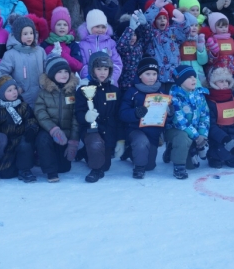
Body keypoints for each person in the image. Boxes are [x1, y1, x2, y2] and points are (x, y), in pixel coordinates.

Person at [34, 54, 80, 183]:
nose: (64, 74)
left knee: (64, 168)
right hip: (50, 132)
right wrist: (53, 129)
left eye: (66, 71)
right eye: (59, 72)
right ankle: (50, 172)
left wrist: (73, 141)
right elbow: (40, 112)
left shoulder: (73, 92)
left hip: (66, 135)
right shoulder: (44, 93)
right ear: (51, 74)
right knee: (42, 139)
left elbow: (76, 117)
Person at [0, 69, 40, 183]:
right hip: (7, 143)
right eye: (9, 90)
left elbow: (31, 119)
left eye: (15, 89)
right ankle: (11, 166)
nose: (14, 92)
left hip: (22, 138)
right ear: (1, 94)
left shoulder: (23, 106)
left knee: (25, 146)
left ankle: (25, 170)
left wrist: (31, 129)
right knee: (6, 174)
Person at [119, 58, 167, 179]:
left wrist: (169, 114)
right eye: (147, 74)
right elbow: (123, 113)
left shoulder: (161, 92)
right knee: (141, 144)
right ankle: (138, 168)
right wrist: (135, 113)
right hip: (135, 129)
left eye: (154, 74)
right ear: (140, 75)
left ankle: (130, 152)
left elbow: (166, 118)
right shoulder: (132, 92)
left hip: (153, 131)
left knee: (150, 166)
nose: (151, 77)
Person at [75, 52, 119, 182]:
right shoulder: (84, 89)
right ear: (92, 70)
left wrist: (120, 139)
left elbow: (117, 115)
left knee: (106, 166)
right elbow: (78, 113)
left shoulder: (114, 90)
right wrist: (86, 117)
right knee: (96, 146)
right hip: (91, 130)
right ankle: (95, 171)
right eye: (99, 69)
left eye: (106, 69)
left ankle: (85, 152)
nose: (102, 72)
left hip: (108, 130)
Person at [163, 66, 210, 178]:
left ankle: (172, 150)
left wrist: (203, 135)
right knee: (182, 137)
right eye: (189, 77)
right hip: (175, 130)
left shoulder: (199, 95)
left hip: (194, 133)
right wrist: (197, 136)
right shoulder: (173, 97)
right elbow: (179, 121)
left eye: (194, 77)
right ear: (180, 81)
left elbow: (205, 115)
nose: (194, 79)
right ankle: (178, 166)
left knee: (192, 166)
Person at [143, 0, 192, 92]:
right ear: (154, 21)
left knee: (174, 101)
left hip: (174, 75)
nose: (162, 20)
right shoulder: (151, 33)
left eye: (164, 18)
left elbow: (185, 33)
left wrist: (182, 20)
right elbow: (144, 24)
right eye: (159, 18)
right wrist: (156, 7)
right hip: (157, 77)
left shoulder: (172, 32)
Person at [203, 67, 234, 168]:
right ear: (213, 83)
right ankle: (213, 155)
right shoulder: (209, 101)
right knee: (224, 155)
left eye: (227, 81)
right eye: (221, 81)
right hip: (218, 137)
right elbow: (211, 126)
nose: (225, 84)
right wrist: (225, 140)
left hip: (233, 133)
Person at [0, 16, 46, 108]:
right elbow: (2, 73)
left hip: (41, 96)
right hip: (21, 99)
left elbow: (47, 69)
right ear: (18, 35)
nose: (29, 36)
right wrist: (15, 87)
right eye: (25, 34)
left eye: (31, 33)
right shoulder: (11, 54)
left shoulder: (40, 51)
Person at [77, 9, 123, 86]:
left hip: (109, 83)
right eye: (97, 26)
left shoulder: (110, 43)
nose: (100, 30)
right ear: (89, 27)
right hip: (90, 83)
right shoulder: (83, 45)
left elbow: (117, 63)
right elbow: (82, 65)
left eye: (103, 27)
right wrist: (91, 79)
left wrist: (111, 78)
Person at [205, 12, 234, 88]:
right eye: (220, 27)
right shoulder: (211, 42)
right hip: (217, 75)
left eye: (225, 26)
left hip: (232, 74)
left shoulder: (232, 41)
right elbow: (209, 61)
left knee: (232, 94)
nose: (224, 29)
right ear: (213, 28)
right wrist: (213, 53)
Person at [115, 10, 152, 92]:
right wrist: (130, 29)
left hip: (138, 83)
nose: (132, 37)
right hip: (123, 84)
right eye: (130, 35)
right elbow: (121, 46)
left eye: (134, 34)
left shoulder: (139, 45)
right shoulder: (121, 46)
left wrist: (145, 25)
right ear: (123, 35)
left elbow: (148, 36)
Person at [40, 7, 82, 73]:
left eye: (65, 25)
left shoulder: (73, 45)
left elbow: (78, 66)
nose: (62, 27)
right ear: (53, 27)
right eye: (59, 24)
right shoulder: (45, 44)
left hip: (68, 78)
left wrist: (62, 54)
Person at [178, 12, 208, 88]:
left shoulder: (199, 40)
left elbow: (203, 61)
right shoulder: (180, 41)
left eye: (196, 25)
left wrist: (201, 49)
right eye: (191, 25)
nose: (194, 28)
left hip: (198, 75)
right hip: (184, 73)